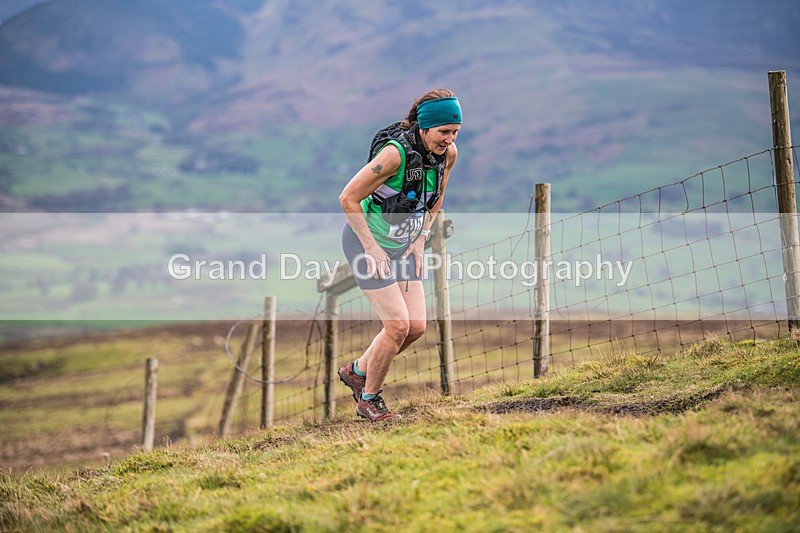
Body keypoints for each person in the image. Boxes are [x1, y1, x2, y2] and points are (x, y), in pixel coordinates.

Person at [337, 89, 461, 422]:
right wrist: (372, 248)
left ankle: (358, 370)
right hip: (367, 244)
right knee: (396, 325)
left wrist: (420, 240)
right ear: (424, 126)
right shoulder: (394, 155)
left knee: (416, 327)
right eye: (443, 132)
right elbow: (348, 198)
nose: (449, 139)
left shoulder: (446, 156)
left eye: (455, 132)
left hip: (405, 245)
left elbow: (435, 201)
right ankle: (369, 399)